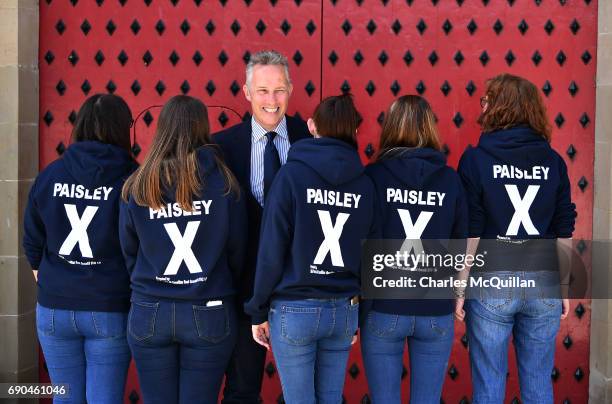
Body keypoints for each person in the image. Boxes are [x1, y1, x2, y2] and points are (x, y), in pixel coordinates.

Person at [246, 94, 379, 404]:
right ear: (355, 132)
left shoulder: (291, 175)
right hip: (343, 308)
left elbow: (272, 248)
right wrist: (362, 312)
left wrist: (258, 309)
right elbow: (371, 254)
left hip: (294, 309)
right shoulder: (365, 183)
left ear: (311, 126)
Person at [456, 73, 576, 403]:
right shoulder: (554, 162)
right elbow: (563, 227)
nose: (482, 107)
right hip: (543, 281)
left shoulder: (476, 160)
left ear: (500, 107)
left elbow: (473, 229)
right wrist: (565, 286)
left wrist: (461, 286)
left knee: (489, 383)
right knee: (538, 383)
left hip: (491, 280)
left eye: (486, 100)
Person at [119, 95, 246, 404]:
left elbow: (129, 252)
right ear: (203, 128)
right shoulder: (224, 183)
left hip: (150, 309)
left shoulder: (137, 185)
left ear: (161, 130)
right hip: (209, 309)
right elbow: (237, 252)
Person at [23, 94, 137, 403]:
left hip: (54, 308)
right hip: (109, 307)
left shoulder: (51, 175)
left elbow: (32, 241)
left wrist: (54, 280)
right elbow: (142, 245)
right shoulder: (133, 181)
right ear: (122, 130)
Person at [214, 49, 310, 403]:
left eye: (279, 90)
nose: (272, 101)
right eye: (263, 91)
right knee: (242, 390)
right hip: (241, 291)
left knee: (301, 394)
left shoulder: (309, 139)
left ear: (291, 90)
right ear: (246, 92)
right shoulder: (222, 146)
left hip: (299, 289)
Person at [360, 95, 468, 403]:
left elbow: (363, 242)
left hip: (384, 307)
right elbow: (460, 241)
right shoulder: (450, 179)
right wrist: (459, 293)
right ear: (431, 128)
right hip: (435, 309)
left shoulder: (374, 176)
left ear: (391, 127)